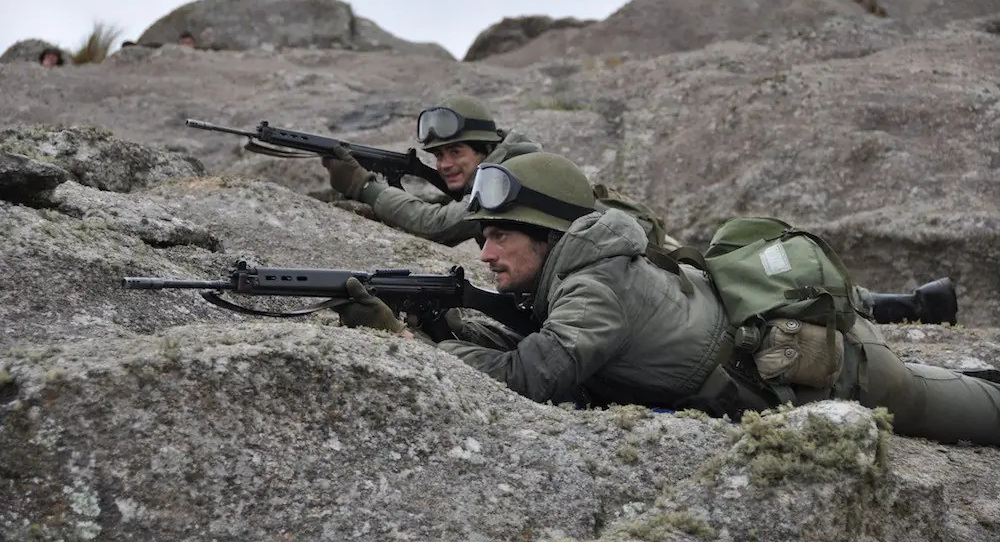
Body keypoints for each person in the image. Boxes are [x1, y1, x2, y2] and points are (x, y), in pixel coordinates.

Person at [337, 152, 1000, 446]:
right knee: (948, 386)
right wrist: (443, 325)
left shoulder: (596, 284)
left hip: (826, 375)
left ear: (551, 233)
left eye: (501, 234)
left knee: (938, 406)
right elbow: (548, 351)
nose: (485, 253)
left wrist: (405, 346)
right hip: (769, 347)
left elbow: (531, 377)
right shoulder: (580, 264)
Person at [321, 96, 542, 247]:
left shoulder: (506, 181)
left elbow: (436, 226)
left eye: (456, 152)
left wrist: (364, 185)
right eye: (438, 155)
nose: (444, 165)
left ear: (485, 149)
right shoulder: (513, 161)